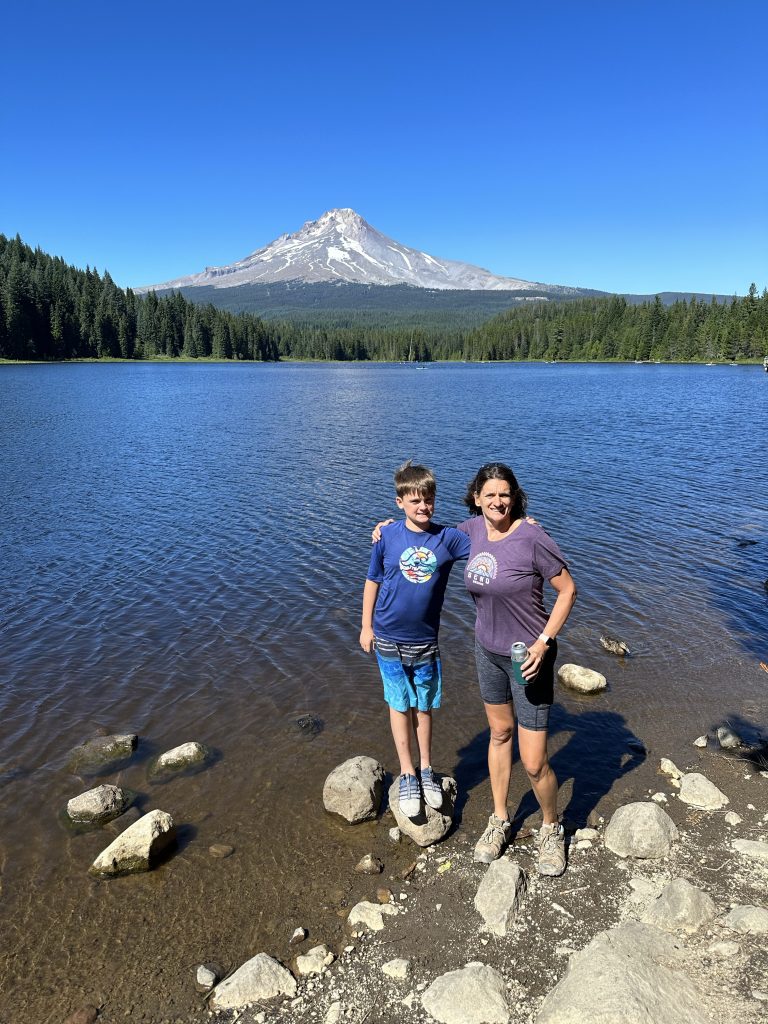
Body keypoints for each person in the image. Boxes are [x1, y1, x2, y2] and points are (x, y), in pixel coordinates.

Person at [457, 463, 577, 875]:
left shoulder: (532, 537)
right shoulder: (470, 531)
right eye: (490, 494)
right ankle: (499, 819)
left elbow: (568, 590)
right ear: (477, 498)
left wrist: (544, 643)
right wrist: (387, 528)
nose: (497, 501)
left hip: (528, 658)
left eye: (504, 494)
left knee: (533, 761)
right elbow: (426, 535)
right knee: (499, 734)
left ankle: (551, 826)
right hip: (486, 651)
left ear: (515, 497)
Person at [360, 460, 470, 819]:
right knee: (398, 704)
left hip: (425, 640)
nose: (423, 506)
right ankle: (407, 772)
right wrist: (365, 626)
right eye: (415, 501)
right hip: (387, 636)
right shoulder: (387, 536)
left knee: (423, 706)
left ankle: (426, 769)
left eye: (428, 499)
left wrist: (521, 525)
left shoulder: (448, 539)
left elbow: (489, 542)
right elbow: (373, 580)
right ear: (400, 502)